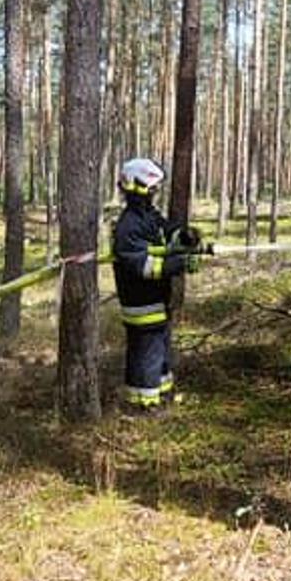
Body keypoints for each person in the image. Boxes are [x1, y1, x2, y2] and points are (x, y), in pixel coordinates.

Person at [110, 158, 204, 412]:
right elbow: (143, 266)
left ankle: (161, 394)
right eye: (151, 188)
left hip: (155, 300)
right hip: (141, 302)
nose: (154, 193)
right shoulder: (128, 225)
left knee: (158, 350)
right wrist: (178, 264)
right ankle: (147, 405)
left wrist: (184, 236)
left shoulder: (147, 216)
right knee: (148, 353)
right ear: (135, 186)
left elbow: (164, 230)